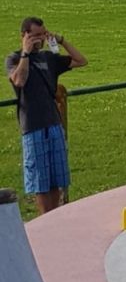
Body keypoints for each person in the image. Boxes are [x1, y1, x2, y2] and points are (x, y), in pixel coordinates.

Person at [6, 17, 87, 215]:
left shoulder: (47, 58)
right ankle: (45, 218)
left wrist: (61, 40)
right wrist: (26, 52)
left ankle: (56, 216)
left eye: (42, 35)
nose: (39, 40)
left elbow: (81, 60)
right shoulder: (14, 59)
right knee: (41, 180)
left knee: (57, 178)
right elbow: (19, 80)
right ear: (23, 36)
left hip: (53, 122)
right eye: (34, 36)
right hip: (33, 125)